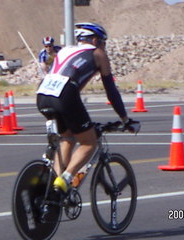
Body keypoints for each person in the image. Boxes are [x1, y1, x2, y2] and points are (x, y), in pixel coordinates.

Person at [36, 22, 140, 193]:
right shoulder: (98, 54)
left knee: (67, 138)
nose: (105, 47)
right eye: (103, 42)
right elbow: (111, 91)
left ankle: (54, 191)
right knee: (88, 142)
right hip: (65, 94)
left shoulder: (65, 50)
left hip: (42, 94)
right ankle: (66, 179)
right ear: (95, 40)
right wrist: (125, 119)